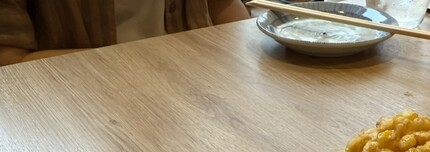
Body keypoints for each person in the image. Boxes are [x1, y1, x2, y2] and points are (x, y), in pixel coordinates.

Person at [0, 0, 250, 66]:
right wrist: (146, 62)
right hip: (78, 111)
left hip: (193, 96)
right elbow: (9, 60)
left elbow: (223, 5)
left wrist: (247, 59)